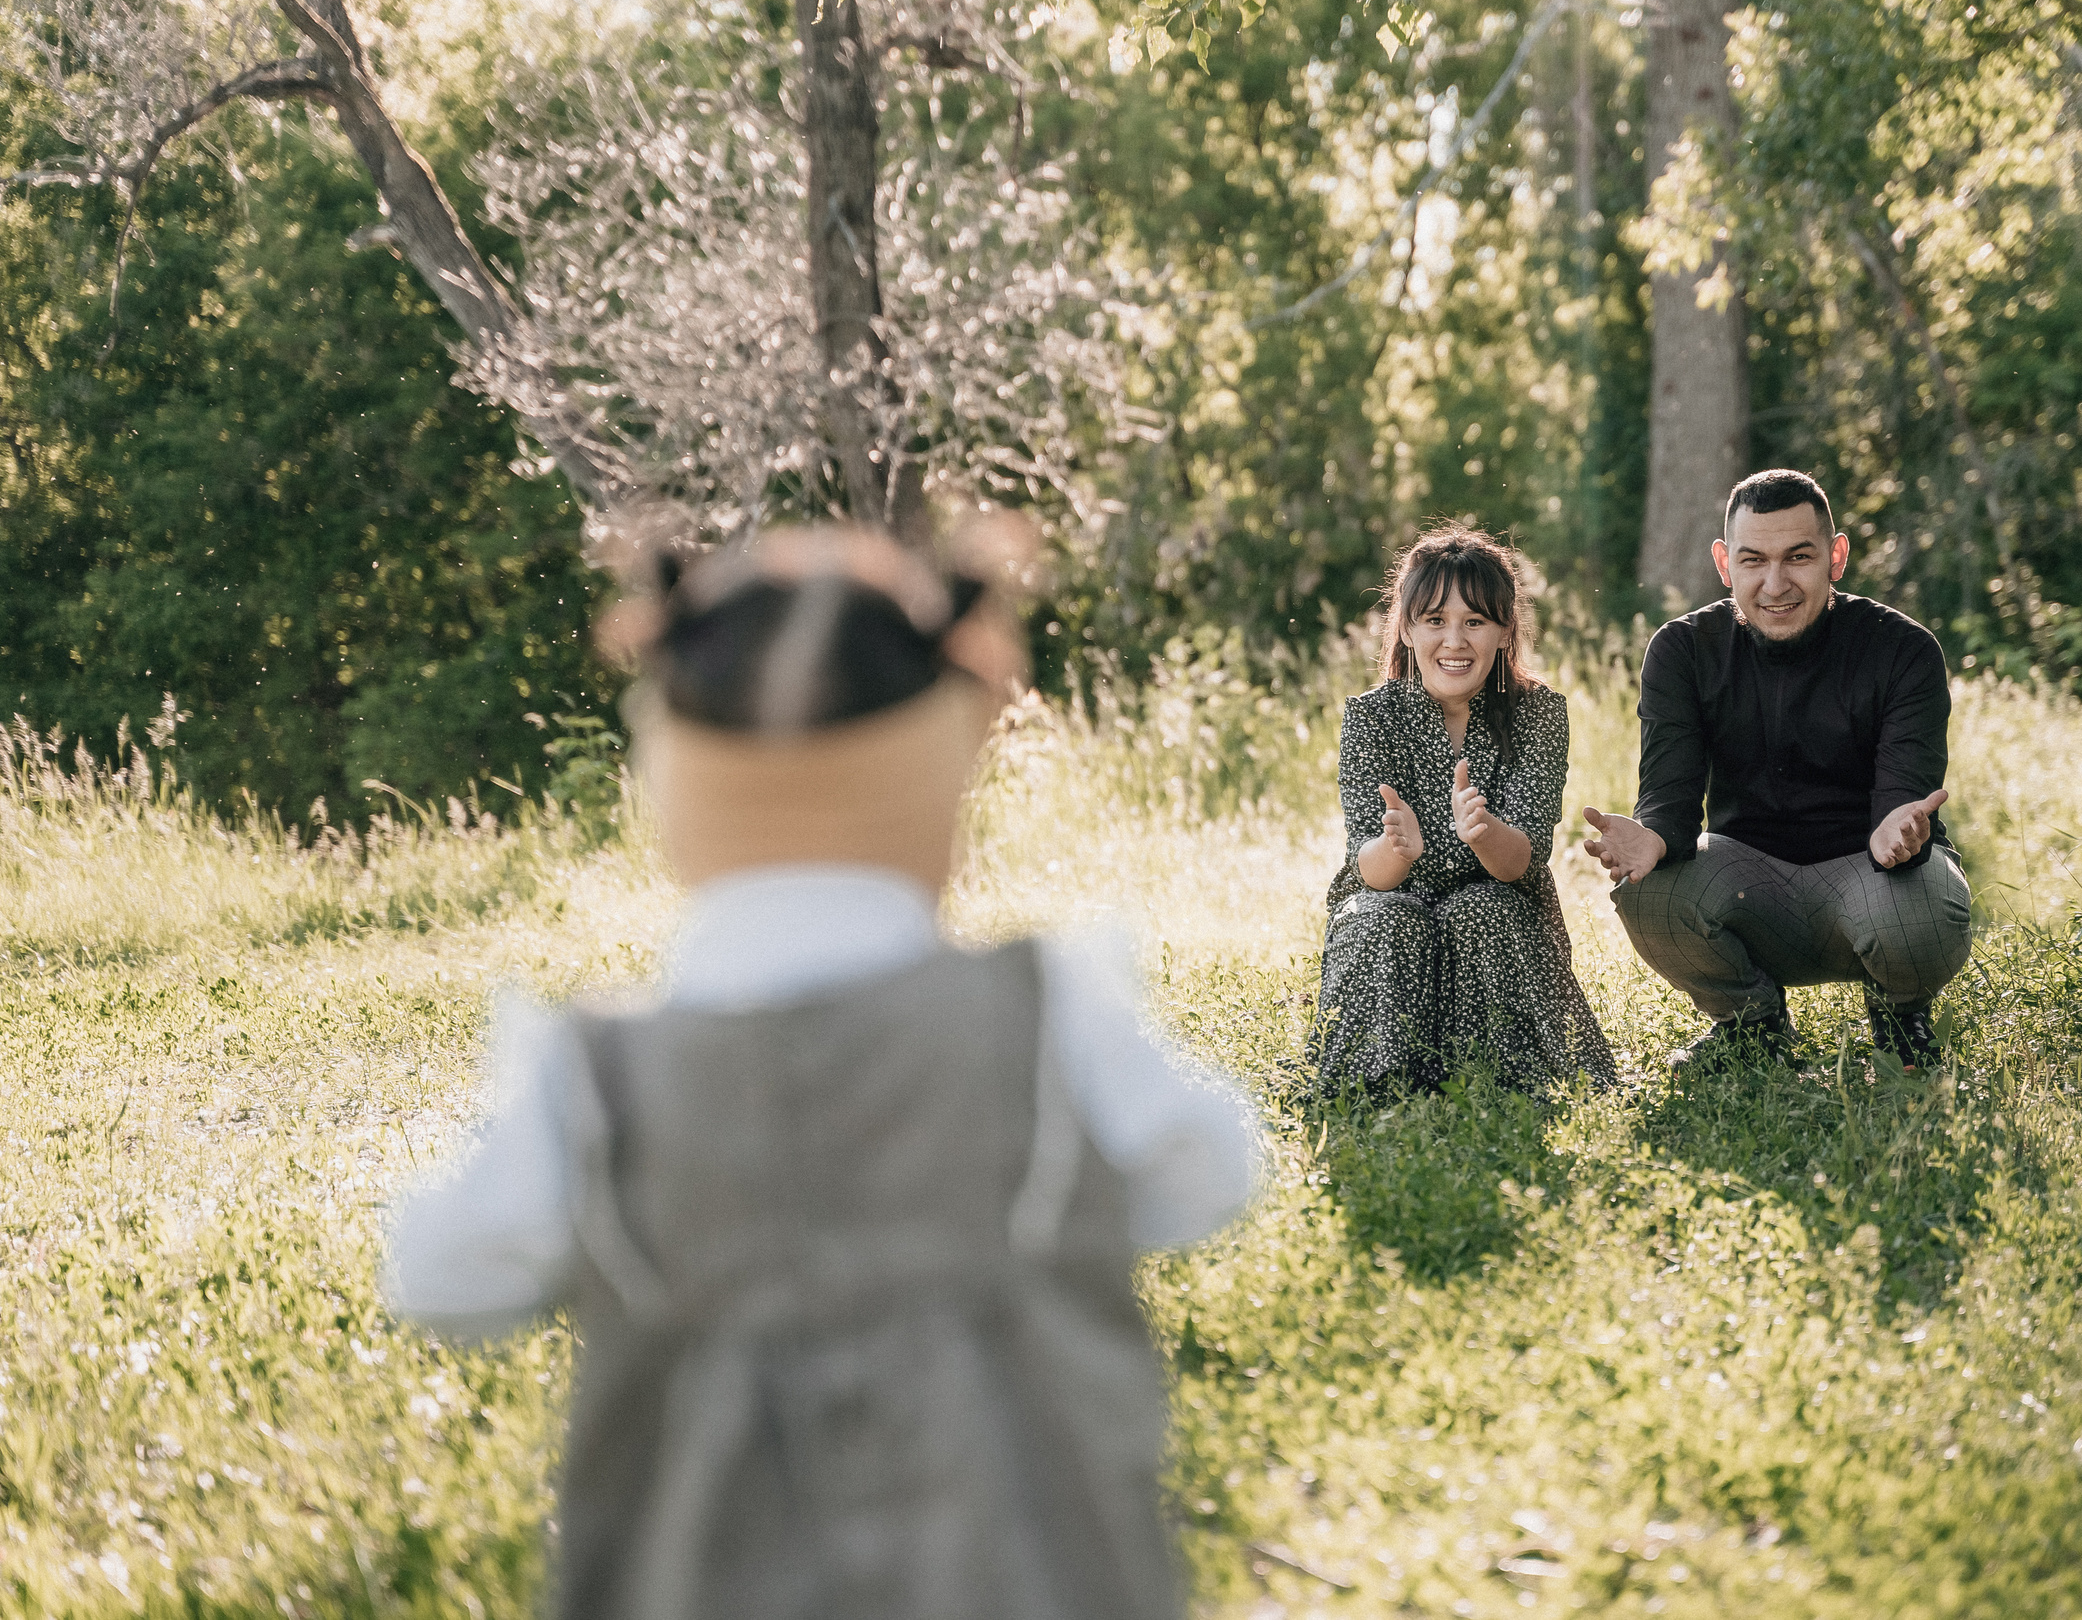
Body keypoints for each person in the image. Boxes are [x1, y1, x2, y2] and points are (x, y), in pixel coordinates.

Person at [379, 524, 1260, 1620]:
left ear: (676, 782)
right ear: (943, 770)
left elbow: (437, 1275)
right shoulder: (1043, 1018)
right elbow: (1213, 1175)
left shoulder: (596, 1081)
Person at [1581, 470, 1973, 1070]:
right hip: (1749, 878)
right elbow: (1671, 794)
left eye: (1799, 557)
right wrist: (1652, 835)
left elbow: (1904, 791)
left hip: (1872, 874)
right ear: (1724, 564)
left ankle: (1900, 1018)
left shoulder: (1902, 649)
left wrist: (1898, 828)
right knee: (1649, 894)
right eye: (1753, 560)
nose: (1774, 583)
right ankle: (1752, 1026)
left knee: (1920, 910)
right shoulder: (1683, 651)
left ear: (1835, 556)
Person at [1313, 526, 1616, 1095]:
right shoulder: (1371, 717)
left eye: (1474, 622)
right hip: (1394, 908)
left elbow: (1521, 861)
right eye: (1434, 621)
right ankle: (1380, 1082)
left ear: (1505, 632)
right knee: (1385, 916)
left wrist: (1484, 834)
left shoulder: (1538, 714)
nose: (1455, 640)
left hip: (1498, 913)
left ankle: (1509, 1076)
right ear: (1405, 628)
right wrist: (1395, 849)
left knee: (1480, 907)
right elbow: (1367, 871)